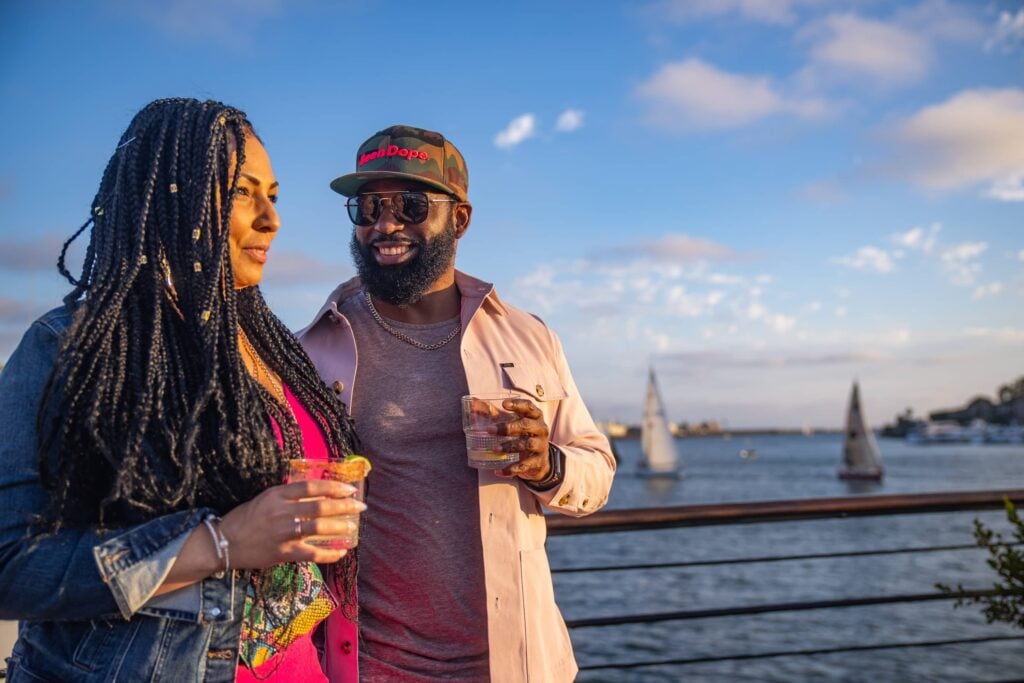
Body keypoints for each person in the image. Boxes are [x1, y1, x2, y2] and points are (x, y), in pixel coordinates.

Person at [0, 98, 364, 682]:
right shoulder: (71, 345)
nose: (271, 219)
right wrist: (222, 542)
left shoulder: (271, 344)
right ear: (173, 195)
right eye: (244, 192)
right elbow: (12, 567)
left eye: (274, 195)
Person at [298, 125, 616, 682]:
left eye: (411, 205)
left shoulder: (527, 337)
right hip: (364, 665)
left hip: (515, 664)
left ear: (460, 219)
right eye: (369, 207)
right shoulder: (316, 347)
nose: (385, 225)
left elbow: (597, 472)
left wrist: (548, 465)